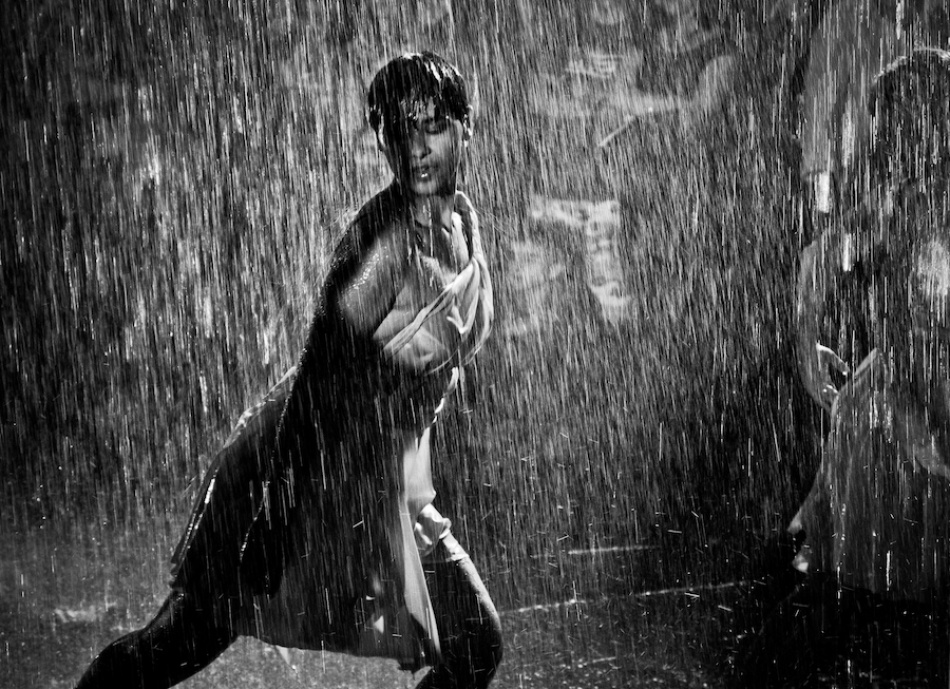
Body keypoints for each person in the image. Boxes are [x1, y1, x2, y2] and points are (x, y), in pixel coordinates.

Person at [75, 51, 503, 689]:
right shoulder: (384, 244)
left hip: (377, 481)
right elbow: (315, 384)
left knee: (475, 645)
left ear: (467, 126)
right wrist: (274, 519)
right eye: (398, 128)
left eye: (433, 125)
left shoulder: (461, 221)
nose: (415, 147)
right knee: (173, 646)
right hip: (294, 474)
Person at [738, 48, 950, 686]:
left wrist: (809, 345)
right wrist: (809, 349)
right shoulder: (906, 206)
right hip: (896, 424)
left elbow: (822, 259)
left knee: (868, 611)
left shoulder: (906, 202)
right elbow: (828, 264)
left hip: (899, 413)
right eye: (891, 130)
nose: (889, 144)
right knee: (864, 608)